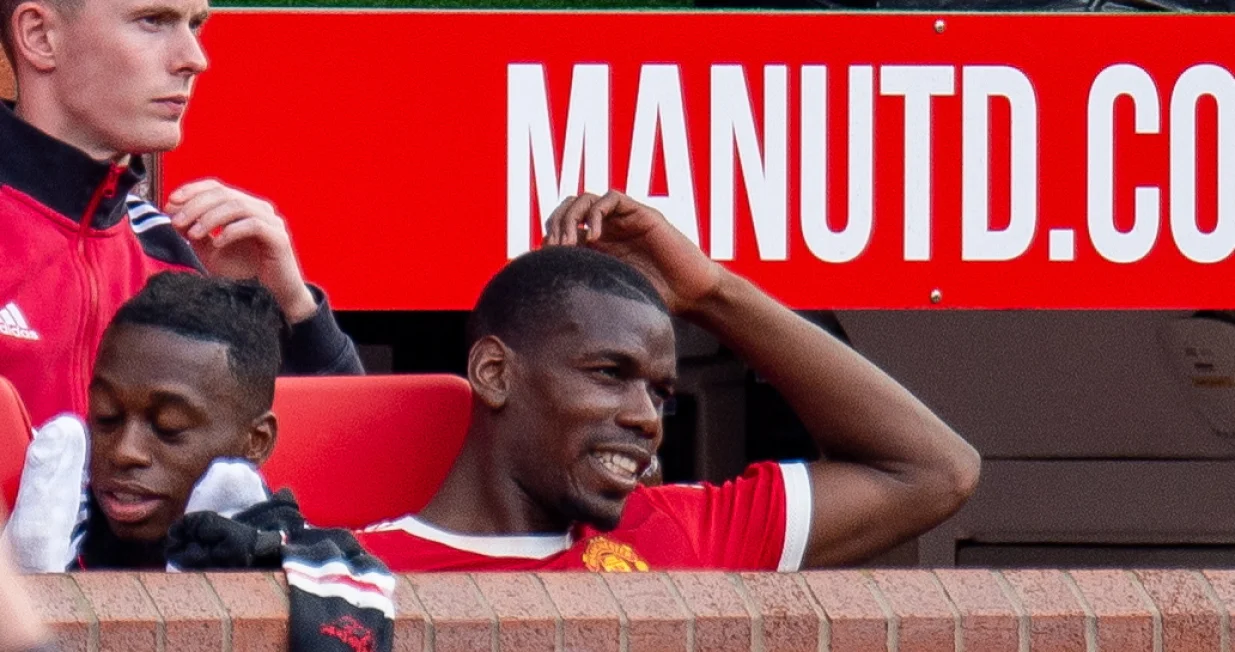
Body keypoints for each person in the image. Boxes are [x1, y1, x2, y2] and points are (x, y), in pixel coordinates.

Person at [358, 191, 981, 572]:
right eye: (610, 374)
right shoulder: (352, 575)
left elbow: (934, 469)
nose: (646, 418)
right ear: (495, 373)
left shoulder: (676, 529)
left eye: (660, 393)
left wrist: (711, 291)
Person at [0, 0, 361, 429]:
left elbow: (352, 459)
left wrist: (289, 311)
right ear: (40, 37)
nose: (196, 59)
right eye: (153, 21)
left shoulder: (175, 252)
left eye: (195, 24)